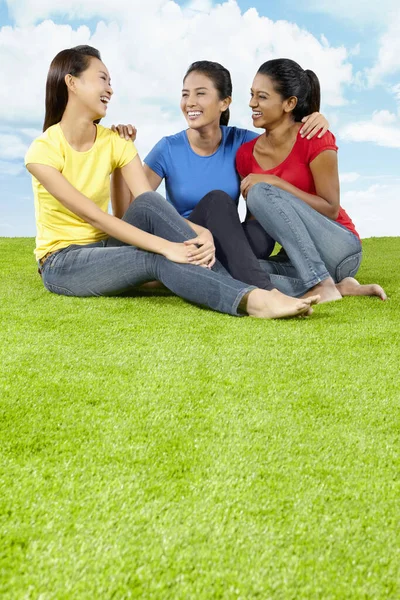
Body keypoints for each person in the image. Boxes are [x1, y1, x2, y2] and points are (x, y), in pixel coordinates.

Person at [24, 45, 319, 319]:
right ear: (72, 83)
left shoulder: (117, 141)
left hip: (107, 248)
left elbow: (144, 206)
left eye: (110, 81)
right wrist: (166, 246)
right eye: (102, 79)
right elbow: (95, 216)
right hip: (62, 261)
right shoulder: (42, 151)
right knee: (160, 259)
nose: (110, 89)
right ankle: (254, 300)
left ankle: (257, 288)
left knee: (151, 203)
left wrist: (199, 231)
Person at [111, 60, 329, 290]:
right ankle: (266, 292)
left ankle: (199, 273)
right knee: (217, 200)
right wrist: (119, 158)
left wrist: (313, 118)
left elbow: (285, 141)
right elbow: (135, 212)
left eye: (201, 93)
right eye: (185, 94)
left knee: (260, 232)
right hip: (184, 238)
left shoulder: (243, 142)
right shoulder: (168, 148)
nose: (190, 102)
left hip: (226, 241)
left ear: (224, 102)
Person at [236, 58, 386, 302]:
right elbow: (263, 220)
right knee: (240, 270)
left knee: (260, 191)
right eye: (252, 95)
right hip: (295, 259)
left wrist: (276, 183)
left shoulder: (315, 138)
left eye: (262, 97)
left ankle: (321, 283)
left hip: (338, 248)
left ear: (289, 103)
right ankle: (337, 287)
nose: (252, 103)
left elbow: (331, 208)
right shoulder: (245, 155)